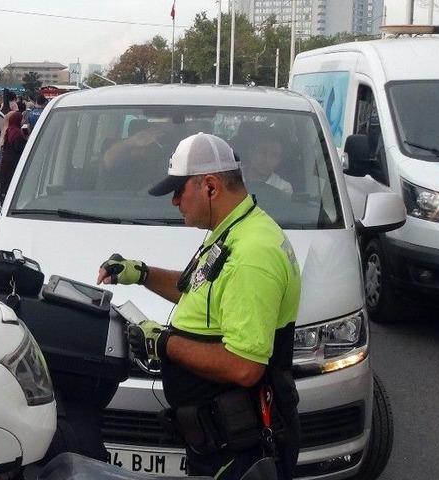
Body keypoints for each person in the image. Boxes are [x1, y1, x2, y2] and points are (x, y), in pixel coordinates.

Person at [96, 133, 301, 480]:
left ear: (210, 186)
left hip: (239, 448)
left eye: (179, 191)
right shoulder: (234, 230)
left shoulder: (253, 255)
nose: (174, 202)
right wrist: (140, 273)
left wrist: (162, 343)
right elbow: (201, 291)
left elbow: (244, 366)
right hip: (218, 440)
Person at [0, 111, 27, 204]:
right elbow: (19, 148)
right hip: (13, 163)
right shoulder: (17, 133)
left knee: (5, 184)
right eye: (22, 119)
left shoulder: (9, 130)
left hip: (6, 163)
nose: (23, 121)